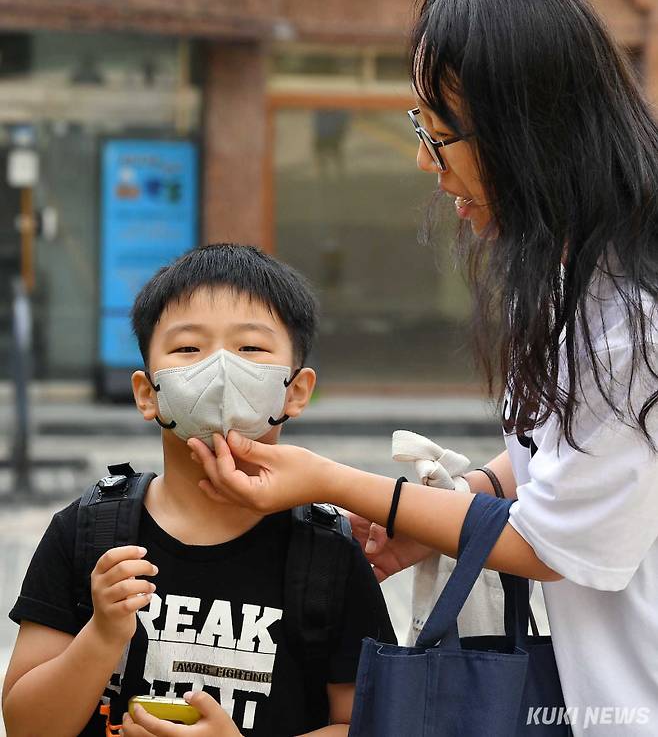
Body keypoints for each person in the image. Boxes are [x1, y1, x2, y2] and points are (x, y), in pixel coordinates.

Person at [184, 0, 658, 737]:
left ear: (528, 132)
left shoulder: (632, 317)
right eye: (420, 130)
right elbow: (564, 452)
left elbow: (550, 542)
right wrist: (470, 489)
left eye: (439, 136)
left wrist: (333, 481)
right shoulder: (574, 269)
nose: (425, 164)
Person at [2, 244, 395, 737]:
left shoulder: (329, 553)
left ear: (296, 390)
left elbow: (371, 724)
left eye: (251, 348)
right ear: (148, 392)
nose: (221, 368)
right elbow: (26, 726)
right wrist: (101, 635)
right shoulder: (86, 532)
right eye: (189, 349)